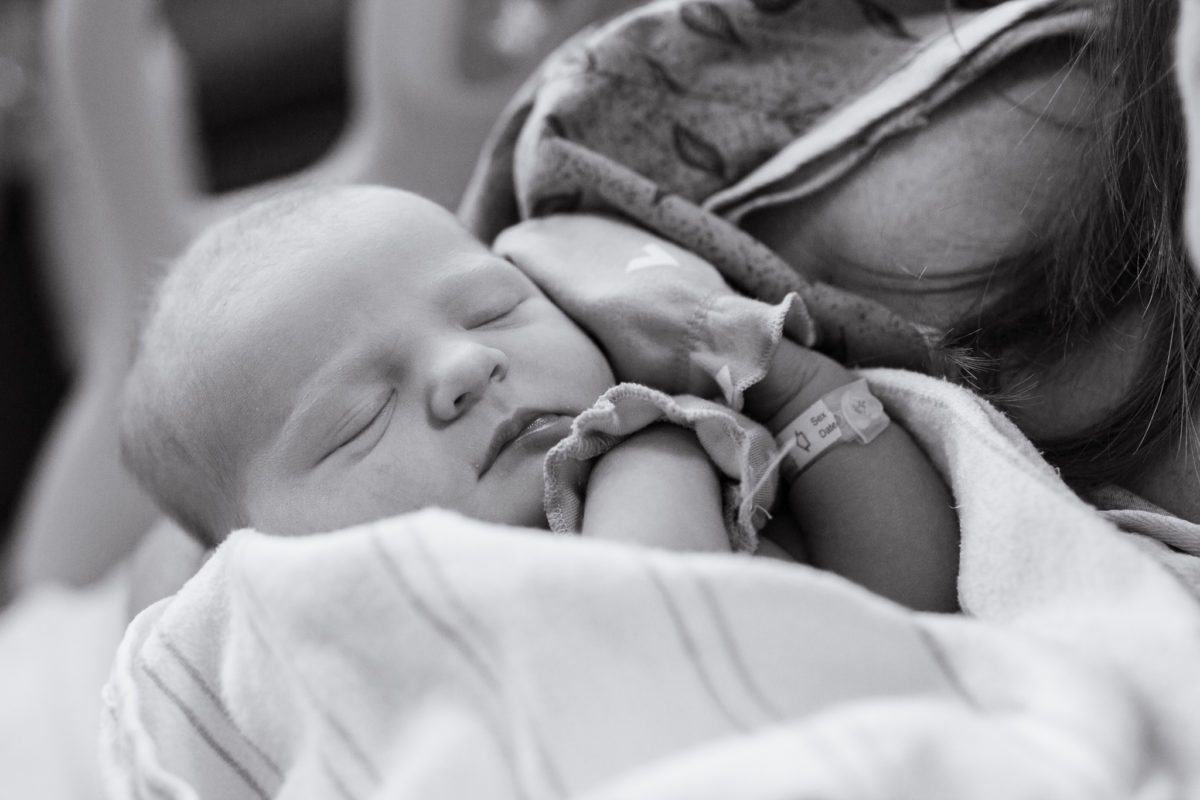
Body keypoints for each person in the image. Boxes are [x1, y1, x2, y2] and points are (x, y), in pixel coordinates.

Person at [118, 184, 960, 611]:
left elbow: (912, 609)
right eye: (357, 419)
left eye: (495, 310)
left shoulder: (684, 451)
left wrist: (796, 383)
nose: (468, 365)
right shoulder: (313, 650)